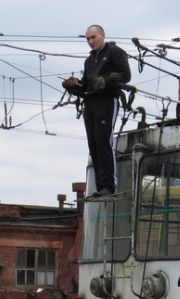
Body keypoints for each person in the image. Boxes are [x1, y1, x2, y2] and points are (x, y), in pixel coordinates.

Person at [63, 24, 131, 197]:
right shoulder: (89, 60)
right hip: (91, 102)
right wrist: (72, 85)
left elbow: (125, 75)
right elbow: (85, 85)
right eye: (87, 38)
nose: (90, 41)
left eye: (93, 37)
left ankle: (109, 186)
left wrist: (105, 81)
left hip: (107, 100)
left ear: (102, 35)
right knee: (93, 144)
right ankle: (100, 186)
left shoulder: (114, 52)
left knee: (103, 141)